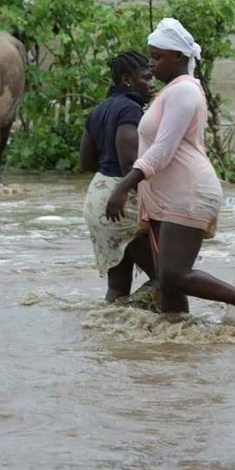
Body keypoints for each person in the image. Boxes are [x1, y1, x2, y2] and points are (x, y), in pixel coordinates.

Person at [105, 18, 235, 327]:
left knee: (173, 274)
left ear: (179, 57)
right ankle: (178, 347)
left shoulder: (184, 92)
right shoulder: (171, 92)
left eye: (158, 57)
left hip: (188, 193)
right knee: (168, 282)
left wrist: (124, 186)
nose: (152, 64)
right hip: (170, 197)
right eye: (151, 56)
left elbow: (162, 151)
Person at [79, 51, 157, 302]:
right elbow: (128, 163)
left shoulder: (98, 110)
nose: (152, 83)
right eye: (146, 77)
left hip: (97, 198)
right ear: (127, 80)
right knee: (167, 277)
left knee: (118, 286)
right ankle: (136, 320)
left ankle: (115, 334)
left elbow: (85, 162)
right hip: (120, 202)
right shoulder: (130, 109)